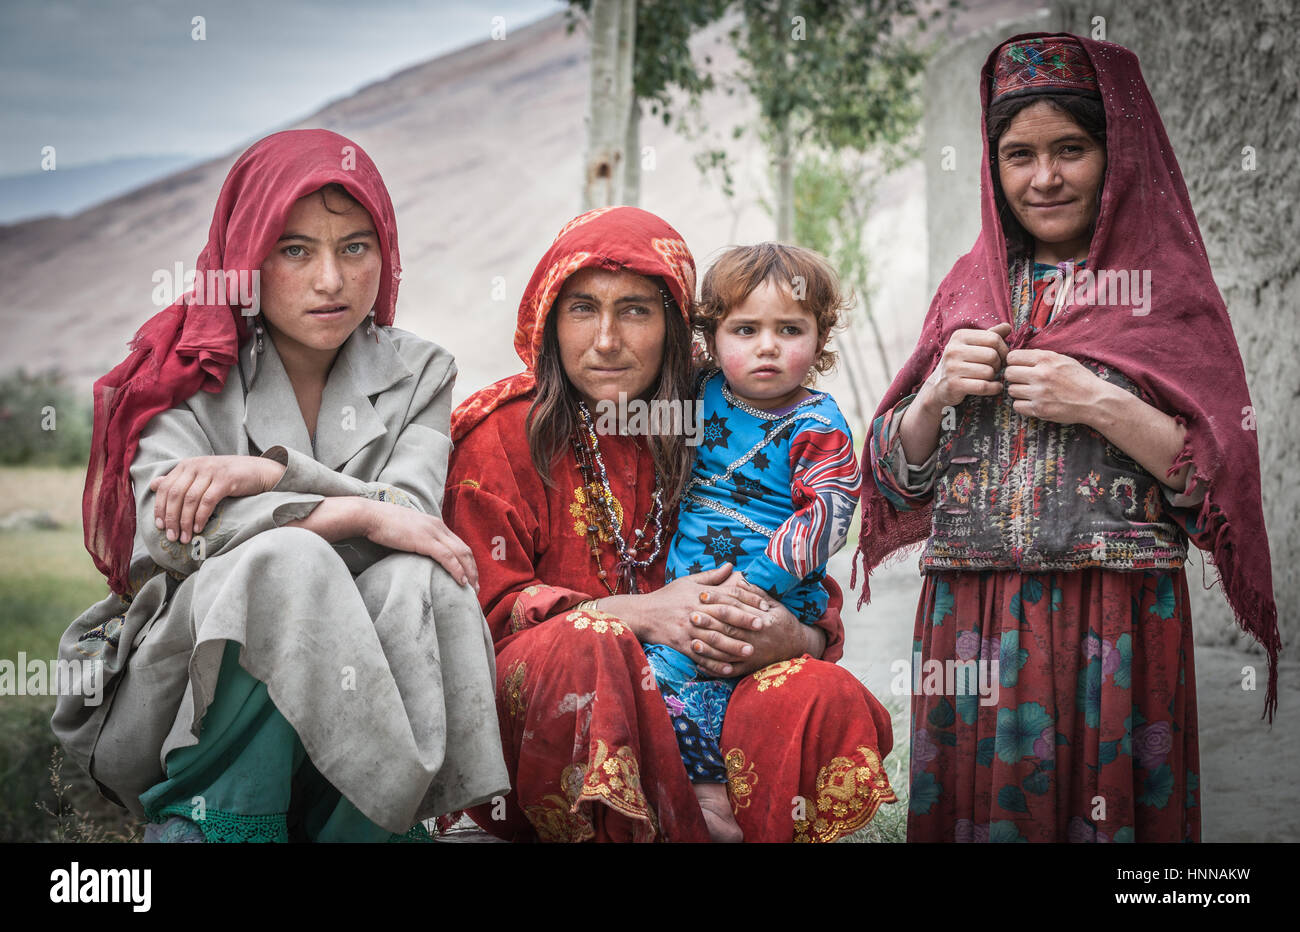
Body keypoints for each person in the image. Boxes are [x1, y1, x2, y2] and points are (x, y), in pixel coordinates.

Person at [855, 34, 1280, 842]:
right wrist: (937, 391)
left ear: (1115, 154)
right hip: (972, 618)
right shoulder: (965, 291)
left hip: (1117, 619)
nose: (1043, 177)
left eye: (1071, 149)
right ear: (992, 166)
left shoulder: (1164, 292)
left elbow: (1215, 486)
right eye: (1018, 154)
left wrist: (1096, 401)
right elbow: (898, 478)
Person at [53, 129, 509, 842]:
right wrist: (353, 513)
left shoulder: (420, 371)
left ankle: (365, 828)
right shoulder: (182, 370)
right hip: (182, 692)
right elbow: (172, 541)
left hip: (355, 677)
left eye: (355, 246)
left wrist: (273, 476)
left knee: (424, 579)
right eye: (295, 250)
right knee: (287, 562)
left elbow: (412, 522)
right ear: (247, 257)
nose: (331, 280)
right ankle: (226, 823)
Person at [445, 206, 897, 842]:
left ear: (677, 328)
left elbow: (810, 573)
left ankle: (704, 812)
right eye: (581, 309)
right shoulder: (500, 435)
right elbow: (473, 623)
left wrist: (791, 638)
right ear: (549, 319)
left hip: (700, 692)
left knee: (821, 693)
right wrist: (638, 614)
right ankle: (672, 814)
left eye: (635, 309)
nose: (606, 339)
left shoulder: (702, 418)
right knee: (590, 647)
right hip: (557, 710)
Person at [647, 243, 869, 842]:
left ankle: (720, 802)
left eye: (789, 329)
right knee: (654, 684)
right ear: (712, 338)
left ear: (820, 340)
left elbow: (827, 515)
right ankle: (705, 797)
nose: (766, 346)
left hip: (770, 598)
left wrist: (752, 587)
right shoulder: (701, 392)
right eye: (744, 329)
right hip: (687, 596)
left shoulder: (818, 425)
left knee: (716, 680)